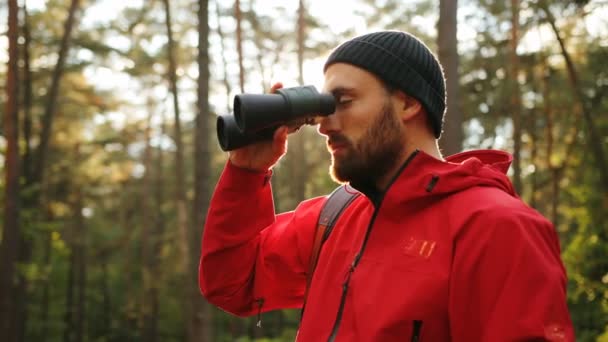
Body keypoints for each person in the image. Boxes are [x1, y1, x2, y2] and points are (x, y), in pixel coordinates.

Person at [199, 30, 574, 341]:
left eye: (342, 102)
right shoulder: (332, 219)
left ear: (408, 104)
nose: (325, 125)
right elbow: (232, 283)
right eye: (322, 110)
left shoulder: (496, 227)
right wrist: (247, 171)